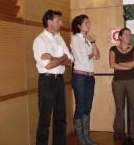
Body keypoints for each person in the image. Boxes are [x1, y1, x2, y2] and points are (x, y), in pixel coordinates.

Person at [33, 10, 73, 145]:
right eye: (58, 20)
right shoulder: (40, 40)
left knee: (61, 118)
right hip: (47, 80)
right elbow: (48, 66)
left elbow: (70, 61)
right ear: (49, 22)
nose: (61, 23)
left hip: (59, 80)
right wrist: (63, 58)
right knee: (45, 119)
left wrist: (55, 58)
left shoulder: (59, 38)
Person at [70, 15, 100, 145]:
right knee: (80, 107)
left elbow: (97, 56)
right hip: (80, 77)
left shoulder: (88, 39)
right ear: (79, 25)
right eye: (86, 22)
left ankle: (87, 138)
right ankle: (81, 139)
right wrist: (91, 54)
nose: (88, 24)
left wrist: (93, 42)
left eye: (89, 22)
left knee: (87, 108)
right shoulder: (75, 39)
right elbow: (81, 59)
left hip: (90, 76)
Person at [109, 28, 134, 143]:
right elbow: (112, 64)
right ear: (120, 37)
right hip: (117, 82)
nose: (129, 36)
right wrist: (127, 66)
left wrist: (121, 64)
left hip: (132, 81)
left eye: (130, 35)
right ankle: (119, 134)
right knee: (119, 109)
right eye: (126, 34)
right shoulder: (113, 49)